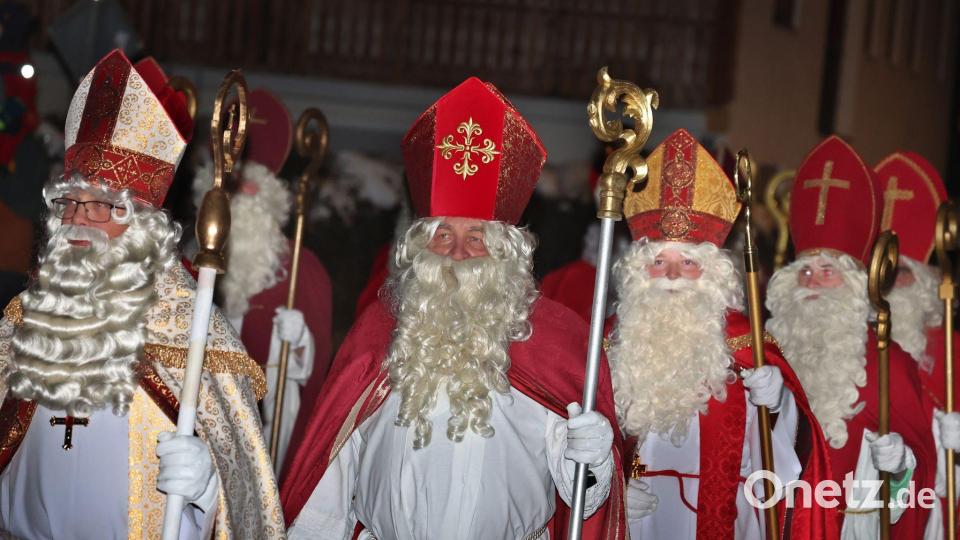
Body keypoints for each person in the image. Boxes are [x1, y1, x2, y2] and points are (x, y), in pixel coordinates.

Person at [281, 77, 626, 539]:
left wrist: (594, 457)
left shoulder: (553, 340)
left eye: (477, 237)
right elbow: (330, 477)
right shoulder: (382, 333)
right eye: (444, 235)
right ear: (421, 247)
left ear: (506, 252)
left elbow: (580, 495)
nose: (459, 252)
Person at [0, 50, 284, 539]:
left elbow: (248, 489)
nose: (78, 220)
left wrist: (208, 488)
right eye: (70, 201)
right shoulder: (23, 322)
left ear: (143, 227)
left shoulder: (195, 334)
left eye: (103, 205)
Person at [608, 128, 834, 539]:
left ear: (713, 274)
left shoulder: (749, 347)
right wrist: (611, 489)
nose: (673, 276)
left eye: (689, 263)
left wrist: (780, 404)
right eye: (659, 261)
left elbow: (784, 461)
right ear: (637, 272)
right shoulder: (609, 346)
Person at [765, 136, 937, 538]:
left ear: (856, 286)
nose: (812, 284)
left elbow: (920, 468)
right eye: (805, 272)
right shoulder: (769, 353)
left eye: (828, 272)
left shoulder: (888, 362)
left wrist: (899, 468)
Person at [187, 88, 333, 472]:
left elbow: (316, 370)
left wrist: (300, 342)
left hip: (266, 423)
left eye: (250, 185)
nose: (241, 195)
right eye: (231, 187)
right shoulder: (190, 256)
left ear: (270, 197)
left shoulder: (303, 267)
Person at [873, 150, 960, 536]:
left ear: (928, 281)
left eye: (901, 273)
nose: (887, 287)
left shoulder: (954, 352)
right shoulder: (849, 349)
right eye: (879, 272)